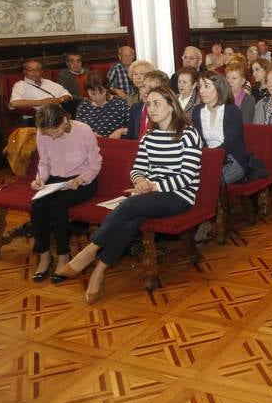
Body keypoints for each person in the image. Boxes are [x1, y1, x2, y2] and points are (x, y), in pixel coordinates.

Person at [55, 87, 203, 303]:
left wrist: (151, 186)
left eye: (157, 103)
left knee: (129, 206)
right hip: (149, 194)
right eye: (149, 104)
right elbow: (137, 168)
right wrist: (140, 180)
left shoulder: (188, 134)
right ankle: (98, 272)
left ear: (172, 105)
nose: (151, 108)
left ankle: (89, 251)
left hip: (179, 196)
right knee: (130, 220)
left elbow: (187, 177)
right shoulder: (149, 136)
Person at [30, 104, 101, 284]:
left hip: (83, 181)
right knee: (37, 205)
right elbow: (44, 162)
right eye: (48, 133)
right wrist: (40, 179)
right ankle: (45, 256)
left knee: (57, 206)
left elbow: (95, 165)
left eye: (55, 131)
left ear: (64, 120)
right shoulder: (42, 132)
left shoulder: (83, 131)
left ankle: (63, 254)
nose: (52, 136)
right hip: (55, 180)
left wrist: (79, 180)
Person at [191, 71, 248, 184]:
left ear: (218, 87)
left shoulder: (232, 111)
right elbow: (199, 141)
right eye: (200, 87)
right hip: (207, 158)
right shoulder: (197, 112)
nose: (201, 91)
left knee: (208, 182)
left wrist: (210, 158)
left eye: (206, 86)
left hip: (232, 159)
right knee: (191, 180)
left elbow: (229, 145)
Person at [75, 71, 129, 138]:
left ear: (107, 88)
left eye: (102, 92)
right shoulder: (83, 105)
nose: (98, 97)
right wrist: (88, 134)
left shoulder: (120, 104)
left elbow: (134, 129)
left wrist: (121, 131)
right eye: (93, 94)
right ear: (87, 91)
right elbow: (77, 129)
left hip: (113, 145)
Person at [125, 70, 169, 141]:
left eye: (151, 88)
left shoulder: (164, 111)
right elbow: (130, 136)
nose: (145, 91)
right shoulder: (135, 108)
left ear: (162, 92)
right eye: (143, 86)